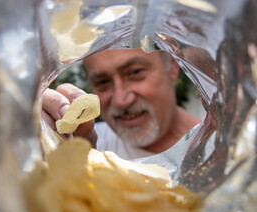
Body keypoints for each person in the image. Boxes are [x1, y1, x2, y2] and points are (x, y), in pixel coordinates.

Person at [42, 48, 202, 160]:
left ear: (172, 67)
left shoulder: (219, 149)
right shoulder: (85, 144)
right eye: (103, 82)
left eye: (135, 72)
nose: (120, 100)